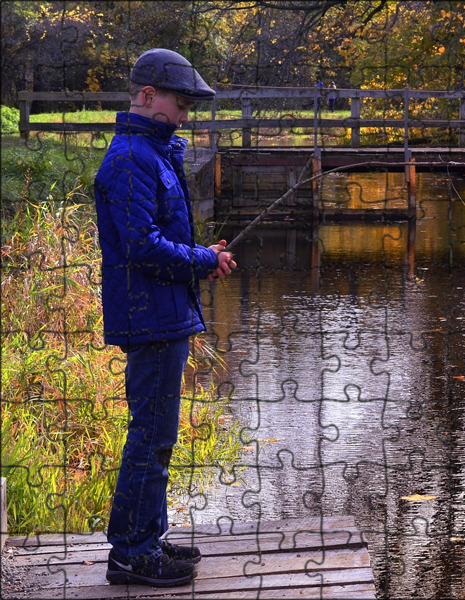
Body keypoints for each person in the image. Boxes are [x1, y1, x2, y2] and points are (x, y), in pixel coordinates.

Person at [93, 48, 236, 587]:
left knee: (158, 436)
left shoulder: (154, 153)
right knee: (150, 437)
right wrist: (202, 260)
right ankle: (131, 554)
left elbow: (162, 235)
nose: (183, 115)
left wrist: (205, 254)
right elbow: (140, 246)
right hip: (148, 315)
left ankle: (146, 538)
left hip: (164, 313)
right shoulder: (130, 157)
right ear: (147, 96)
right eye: (179, 104)